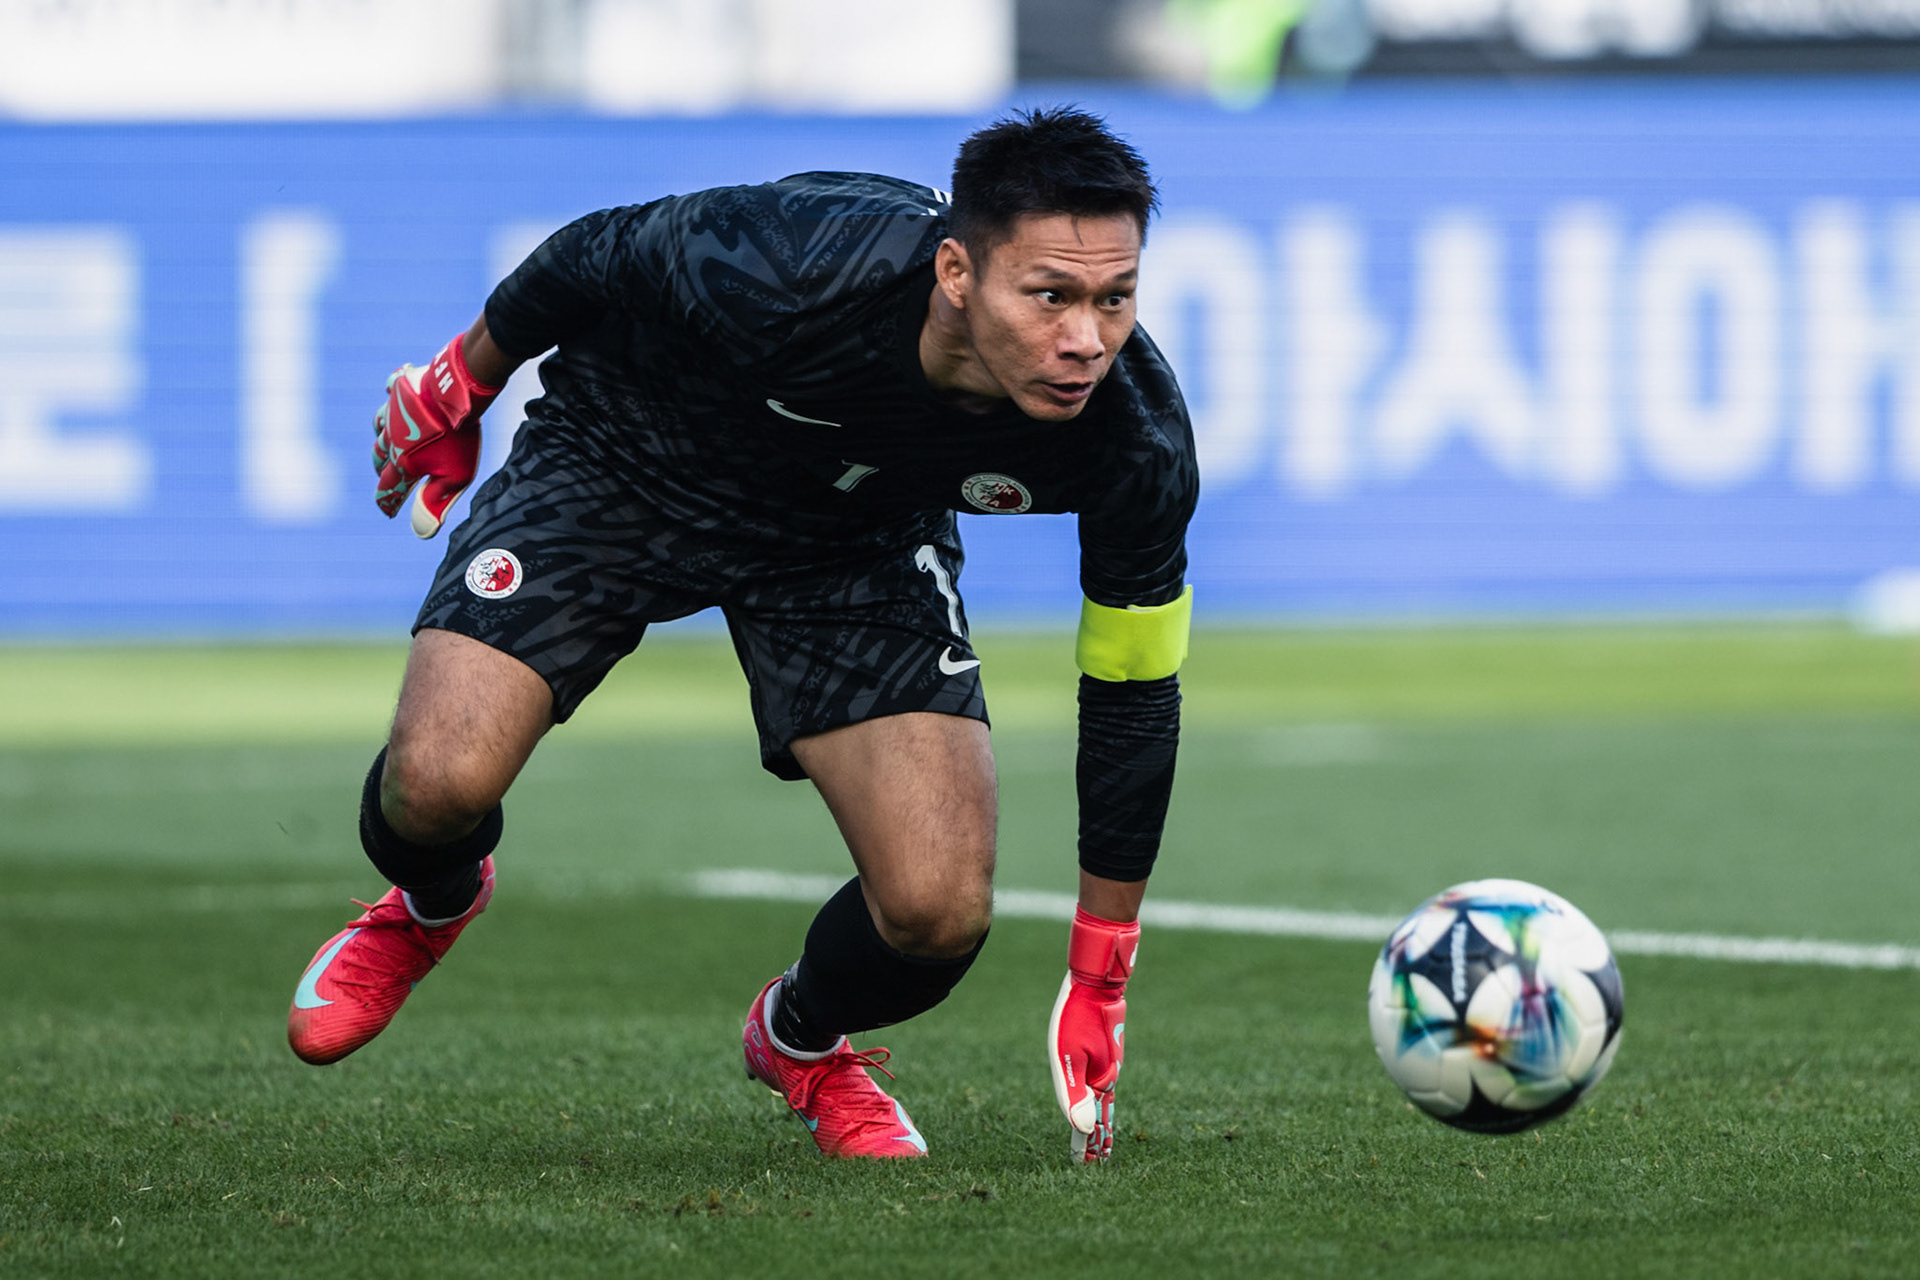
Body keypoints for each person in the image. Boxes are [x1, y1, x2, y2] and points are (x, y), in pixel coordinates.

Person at [284, 106, 1196, 1164]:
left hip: (847, 540)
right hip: (626, 459)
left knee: (937, 912)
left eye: (1114, 297)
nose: (1085, 338)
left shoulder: (1134, 440)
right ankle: (430, 902)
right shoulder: (801, 258)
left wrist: (1101, 972)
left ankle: (801, 1038)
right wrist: (461, 378)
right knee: (435, 784)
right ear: (957, 272)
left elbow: (1134, 689)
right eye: (1050, 295)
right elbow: (597, 252)